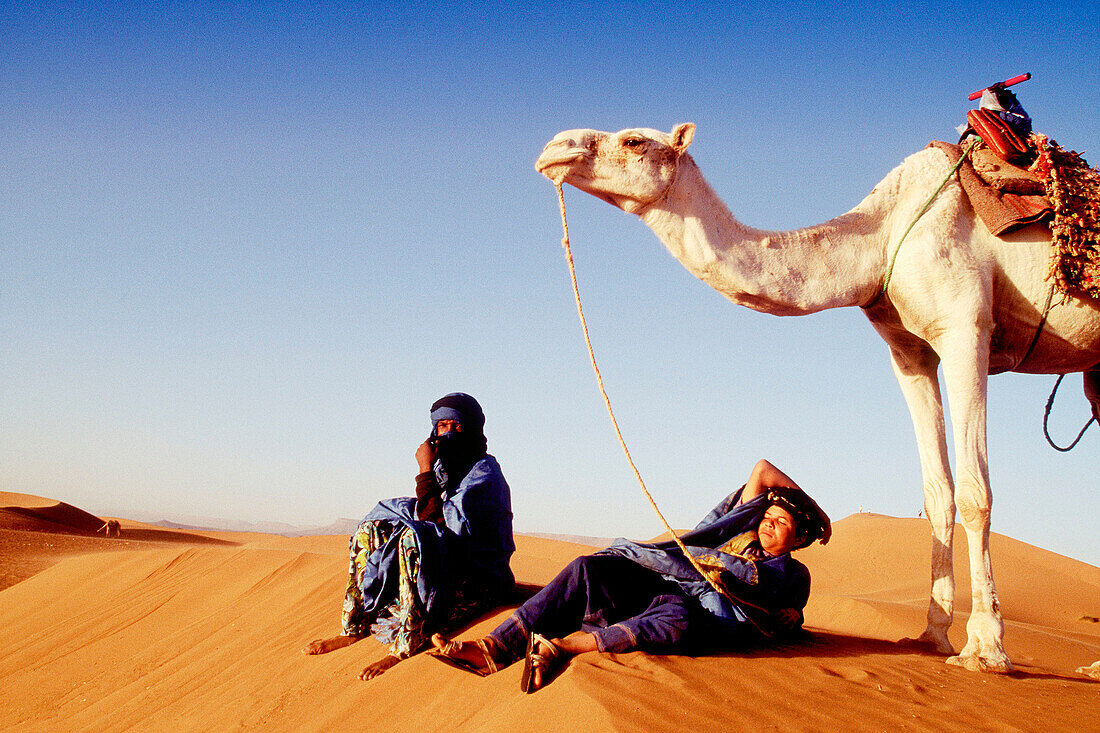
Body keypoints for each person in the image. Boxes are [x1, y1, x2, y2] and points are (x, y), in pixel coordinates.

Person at [431, 459, 829, 693]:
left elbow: (787, 612)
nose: (770, 525)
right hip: (666, 585)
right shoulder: (735, 534)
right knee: (588, 569)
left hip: (699, 616)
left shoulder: (793, 573)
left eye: (784, 523)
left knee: (678, 621)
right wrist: (812, 506)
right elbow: (761, 468)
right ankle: (494, 647)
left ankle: (563, 647)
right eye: (769, 517)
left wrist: (794, 617)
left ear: (799, 539)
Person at [303, 392, 515, 680]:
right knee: (373, 530)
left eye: (458, 426)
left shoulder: (484, 476)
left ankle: (406, 645)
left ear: (473, 429)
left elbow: (446, 531)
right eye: (442, 427)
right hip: (448, 570)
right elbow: (432, 518)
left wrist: (424, 470)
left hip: (480, 580)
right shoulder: (447, 470)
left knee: (414, 539)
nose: (449, 433)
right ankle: (353, 627)